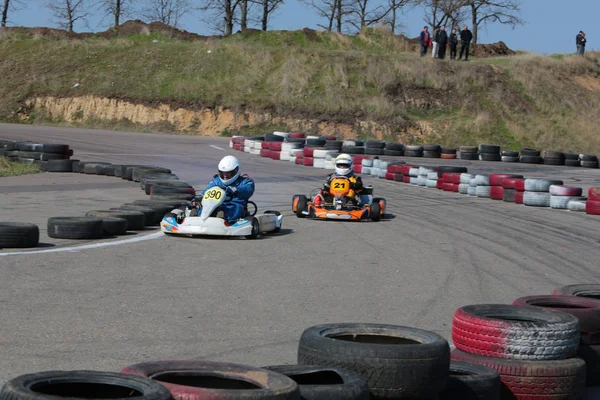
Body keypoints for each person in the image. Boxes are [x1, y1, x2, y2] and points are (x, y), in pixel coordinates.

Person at [196, 155, 255, 221]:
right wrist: (201, 196)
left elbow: (247, 190)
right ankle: (198, 217)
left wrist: (235, 190)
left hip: (234, 204)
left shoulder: (245, 181)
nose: (225, 176)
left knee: (236, 209)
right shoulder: (216, 181)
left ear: (235, 171)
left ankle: (222, 218)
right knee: (202, 208)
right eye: (223, 173)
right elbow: (208, 190)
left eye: (228, 173)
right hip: (216, 205)